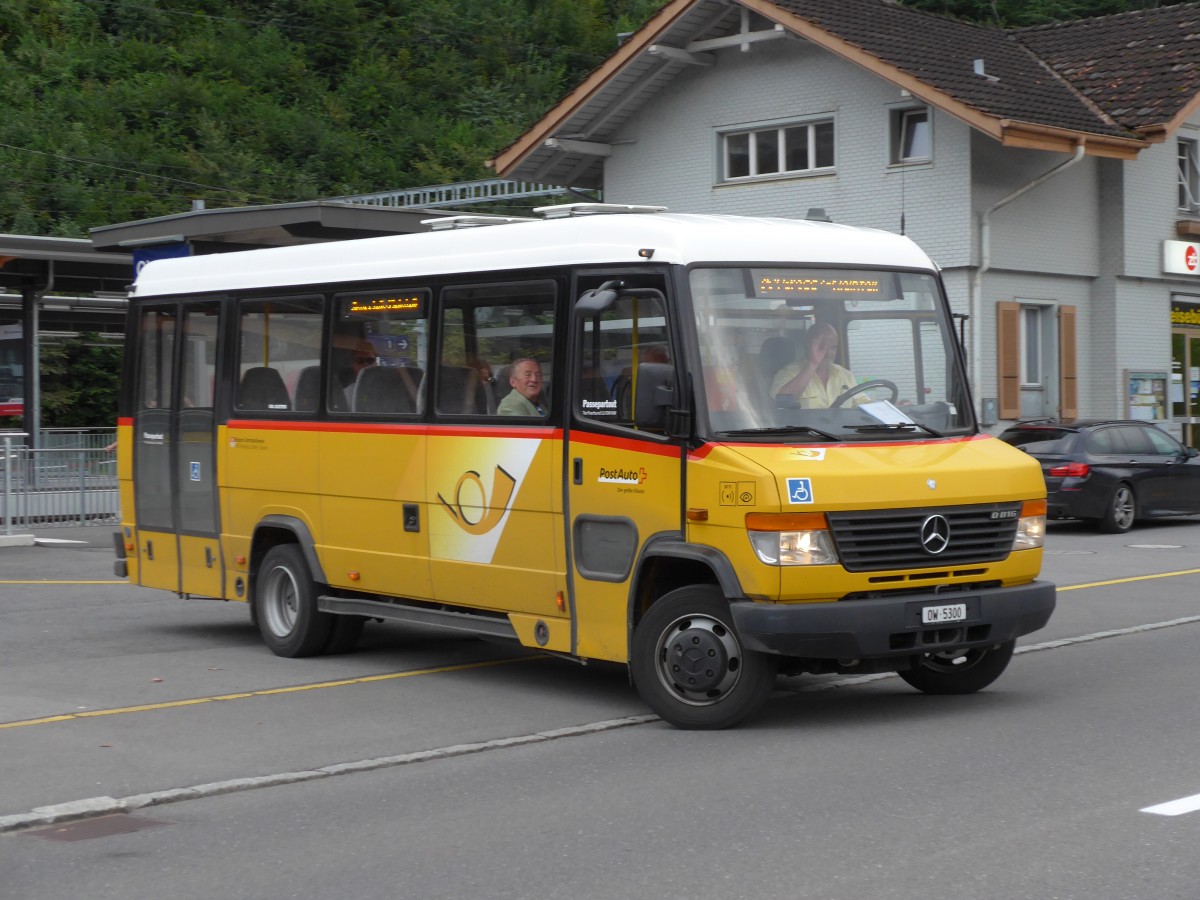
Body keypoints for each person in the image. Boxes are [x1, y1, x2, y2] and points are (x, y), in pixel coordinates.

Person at [770, 321, 862, 407]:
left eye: (833, 348)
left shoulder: (846, 375)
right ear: (807, 346)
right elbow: (782, 402)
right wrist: (813, 364)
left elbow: (864, 406)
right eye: (822, 347)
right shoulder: (788, 373)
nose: (829, 353)